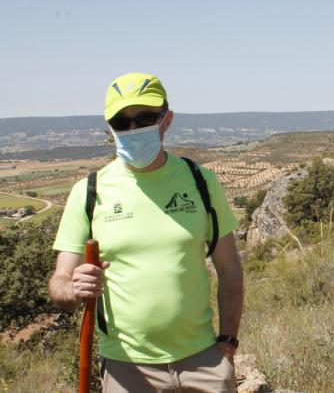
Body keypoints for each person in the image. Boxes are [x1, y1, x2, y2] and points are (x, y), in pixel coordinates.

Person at [48, 73, 244, 393]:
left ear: (166, 120)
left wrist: (227, 345)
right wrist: (73, 288)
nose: (133, 129)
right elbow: (60, 282)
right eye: (121, 121)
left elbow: (230, 268)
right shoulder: (88, 193)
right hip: (127, 370)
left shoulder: (202, 182)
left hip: (204, 363)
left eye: (145, 117)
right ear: (110, 127)